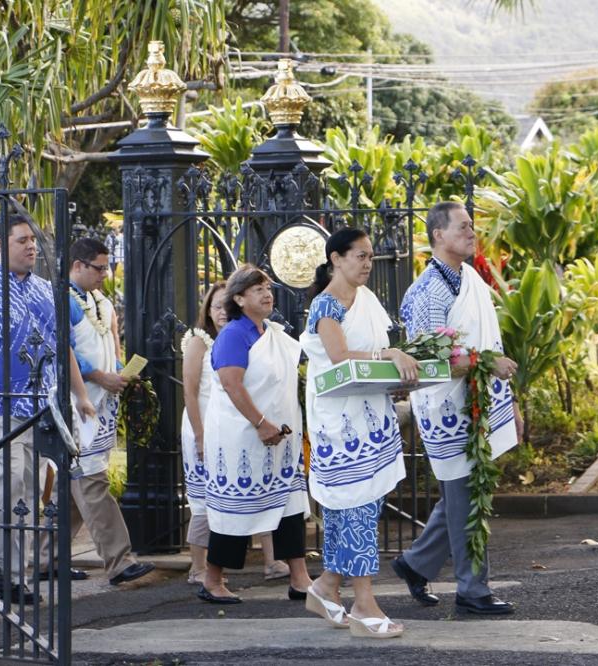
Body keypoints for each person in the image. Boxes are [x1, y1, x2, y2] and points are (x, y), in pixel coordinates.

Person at [0, 215, 96, 604]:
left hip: (40, 408)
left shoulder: (44, 290)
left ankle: (12, 575)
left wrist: (80, 395)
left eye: (33, 240)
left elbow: (62, 346)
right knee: (1, 485)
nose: (31, 246)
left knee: (28, 491)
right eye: (22, 240)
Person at [391, 201, 522, 616]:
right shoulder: (425, 292)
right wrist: (486, 363)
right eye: (462, 226)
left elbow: (490, 341)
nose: (471, 232)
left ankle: (415, 564)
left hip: (481, 400)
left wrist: (510, 401)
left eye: (471, 226)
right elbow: (428, 361)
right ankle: (472, 590)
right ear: (438, 235)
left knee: (461, 496)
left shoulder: (471, 280)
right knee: (466, 495)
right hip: (445, 407)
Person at [300, 228, 419, 638]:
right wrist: (390, 354)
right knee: (356, 507)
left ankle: (326, 586)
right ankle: (364, 604)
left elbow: (370, 365)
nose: (368, 263)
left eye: (370, 256)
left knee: (359, 507)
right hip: (339, 424)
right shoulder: (326, 304)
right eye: (360, 256)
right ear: (336, 259)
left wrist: (394, 379)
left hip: (373, 418)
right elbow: (339, 356)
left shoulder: (366, 299)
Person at [37, 238, 155, 586]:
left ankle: (44, 559)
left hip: (101, 403)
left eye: (107, 267)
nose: (106, 274)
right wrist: (99, 376)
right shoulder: (63, 300)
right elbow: (63, 351)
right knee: (92, 483)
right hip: (77, 404)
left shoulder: (101, 302)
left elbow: (109, 346)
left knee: (73, 488)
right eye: (100, 268)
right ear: (78, 265)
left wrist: (120, 372)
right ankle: (119, 561)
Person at [199, 265, 312, 604]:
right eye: (258, 289)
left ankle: (300, 578)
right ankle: (212, 579)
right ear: (238, 298)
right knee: (237, 511)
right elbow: (231, 384)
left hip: (279, 439)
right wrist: (261, 423)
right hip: (242, 438)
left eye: (268, 288)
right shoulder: (234, 334)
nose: (267, 294)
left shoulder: (271, 332)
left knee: (290, 504)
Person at [180, 281, 227, 585]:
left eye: (227, 306)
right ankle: (197, 566)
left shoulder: (233, 339)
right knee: (202, 499)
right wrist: (199, 435)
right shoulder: (199, 341)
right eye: (217, 306)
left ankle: (215, 564)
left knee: (222, 496)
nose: (222, 312)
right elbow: (190, 390)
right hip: (201, 426)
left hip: (225, 429)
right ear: (208, 310)